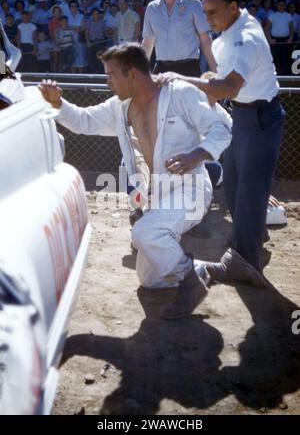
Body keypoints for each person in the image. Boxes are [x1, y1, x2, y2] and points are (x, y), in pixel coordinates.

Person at [38, 42, 234, 320]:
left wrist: (196, 154)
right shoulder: (120, 107)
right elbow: (83, 121)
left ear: (132, 74)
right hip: (155, 197)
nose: (108, 82)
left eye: (111, 75)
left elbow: (223, 126)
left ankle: (191, 284)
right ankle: (212, 268)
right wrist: (58, 103)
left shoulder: (180, 94)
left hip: (188, 191)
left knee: (145, 233)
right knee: (149, 279)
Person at [158, 0, 285, 280]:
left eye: (212, 13)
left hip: (260, 116)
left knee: (250, 193)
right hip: (241, 115)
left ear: (232, 8)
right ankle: (249, 240)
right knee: (234, 187)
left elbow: (228, 87)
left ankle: (247, 262)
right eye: (204, 13)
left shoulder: (246, 38)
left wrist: (181, 77)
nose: (208, 18)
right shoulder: (234, 23)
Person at [142, 0, 216, 76]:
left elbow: (205, 40)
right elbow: (147, 43)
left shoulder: (193, 3)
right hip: (162, 70)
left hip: (189, 69)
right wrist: (140, 72)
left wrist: (216, 72)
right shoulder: (152, 8)